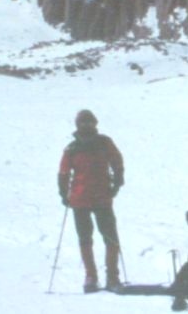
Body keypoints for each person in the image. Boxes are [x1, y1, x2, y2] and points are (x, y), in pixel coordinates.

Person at [58, 109, 125, 293]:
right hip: (86, 198)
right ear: (78, 125)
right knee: (90, 237)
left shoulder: (100, 143)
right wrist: (64, 193)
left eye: (89, 122)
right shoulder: (77, 148)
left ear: (95, 124)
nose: (86, 126)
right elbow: (63, 173)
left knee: (106, 237)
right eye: (83, 122)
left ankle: (109, 276)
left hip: (94, 198)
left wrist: (118, 180)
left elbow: (117, 162)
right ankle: (94, 276)